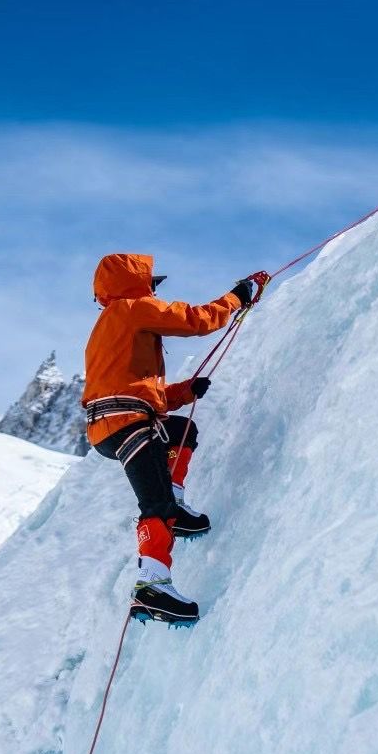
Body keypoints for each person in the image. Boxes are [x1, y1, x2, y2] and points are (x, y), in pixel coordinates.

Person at [82, 253, 269, 624]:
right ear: (136, 283)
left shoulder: (108, 325)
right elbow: (196, 321)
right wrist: (238, 296)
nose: (154, 289)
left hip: (110, 424)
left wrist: (184, 391)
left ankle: (175, 506)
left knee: (183, 431)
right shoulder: (133, 308)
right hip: (128, 423)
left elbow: (126, 388)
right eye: (151, 283)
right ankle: (152, 584)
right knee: (156, 504)